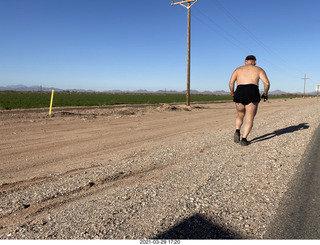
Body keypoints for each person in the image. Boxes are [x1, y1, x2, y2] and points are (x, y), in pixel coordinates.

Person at [229, 55, 270, 146]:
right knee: (250, 117)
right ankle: (244, 139)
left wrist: (233, 93)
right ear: (255, 62)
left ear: (245, 62)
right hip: (252, 90)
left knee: (240, 114)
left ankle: (237, 130)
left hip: (240, 90)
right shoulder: (259, 70)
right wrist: (265, 94)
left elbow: (231, 83)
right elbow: (266, 83)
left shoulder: (238, 69)